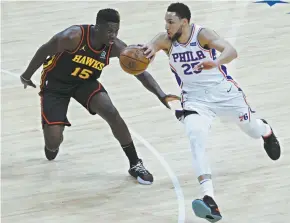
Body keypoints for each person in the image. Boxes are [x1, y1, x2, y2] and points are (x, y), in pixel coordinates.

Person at [141, 2, 281, 222]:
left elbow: (231, 51)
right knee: (195, 137)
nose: (167, 26)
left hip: (224, 94)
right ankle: (209, 199)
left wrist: (215, 61)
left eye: (171, 22)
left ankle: (266, 131)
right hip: (195, 100)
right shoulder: (164, 40)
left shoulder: (202, 35)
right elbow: (148, 48)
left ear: (184, 22)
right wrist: (141, 55)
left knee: (251, 129)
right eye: (166, 22)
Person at [19, 8, 179, 186]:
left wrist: (161, 94)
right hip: (56, 84)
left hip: (85, 83)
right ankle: (51, 138)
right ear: (97, 27)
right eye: (109, 31)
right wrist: (26, 75)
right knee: (53, 145)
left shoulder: (115, 47)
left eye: (116, 31)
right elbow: (43, 51)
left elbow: (141, 73)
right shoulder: (72, 37)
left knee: (111, 112)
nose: (113, 35)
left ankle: (135, 163)